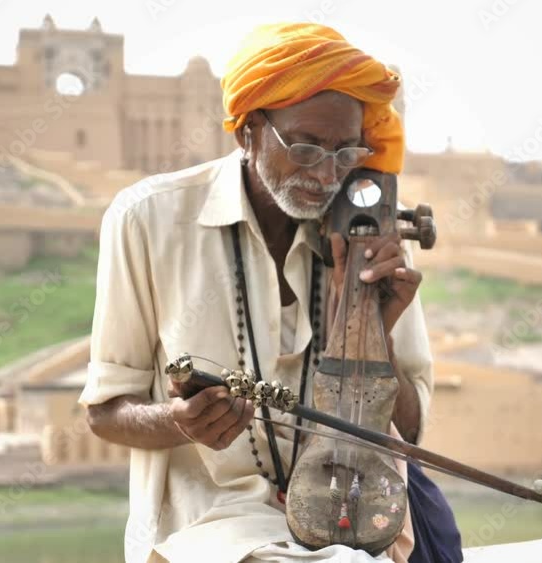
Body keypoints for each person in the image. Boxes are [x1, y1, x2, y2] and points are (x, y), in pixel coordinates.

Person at [80, 23, 461, 563]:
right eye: (306, 148)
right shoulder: (148, 219)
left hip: (345, 514)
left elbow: (410, 430)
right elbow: (105, 412)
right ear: (249, 132)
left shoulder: (368, 234)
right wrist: (178, 423)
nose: (327, 174)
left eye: (345, 152)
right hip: (209, 524)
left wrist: (379, 330)